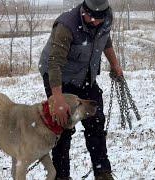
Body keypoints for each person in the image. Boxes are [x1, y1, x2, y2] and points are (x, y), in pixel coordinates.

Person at [38, 0, 123, 179]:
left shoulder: (106, 19)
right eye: (90, 17)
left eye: (98, 19)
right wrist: (58, 100)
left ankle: (102, 172)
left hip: (85, 75)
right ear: (84, 9)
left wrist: (115, 65)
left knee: (96, 119)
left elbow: (105, 40)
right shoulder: (66, 25)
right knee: (63, 126)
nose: (94, 21)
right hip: (58, 75)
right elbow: (54, 65)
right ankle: (61, 176)